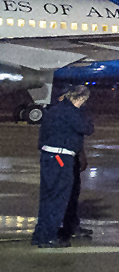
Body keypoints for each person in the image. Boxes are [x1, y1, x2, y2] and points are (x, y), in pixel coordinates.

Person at [33, 85, 94, 249]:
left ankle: (40, 235)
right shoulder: (71, 112)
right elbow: (87, 128)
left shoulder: (53, 110)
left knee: (47, 197)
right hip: (61, 158)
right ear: (79, 98)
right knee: (58, 199)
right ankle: (48, 237)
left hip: (48, 156)